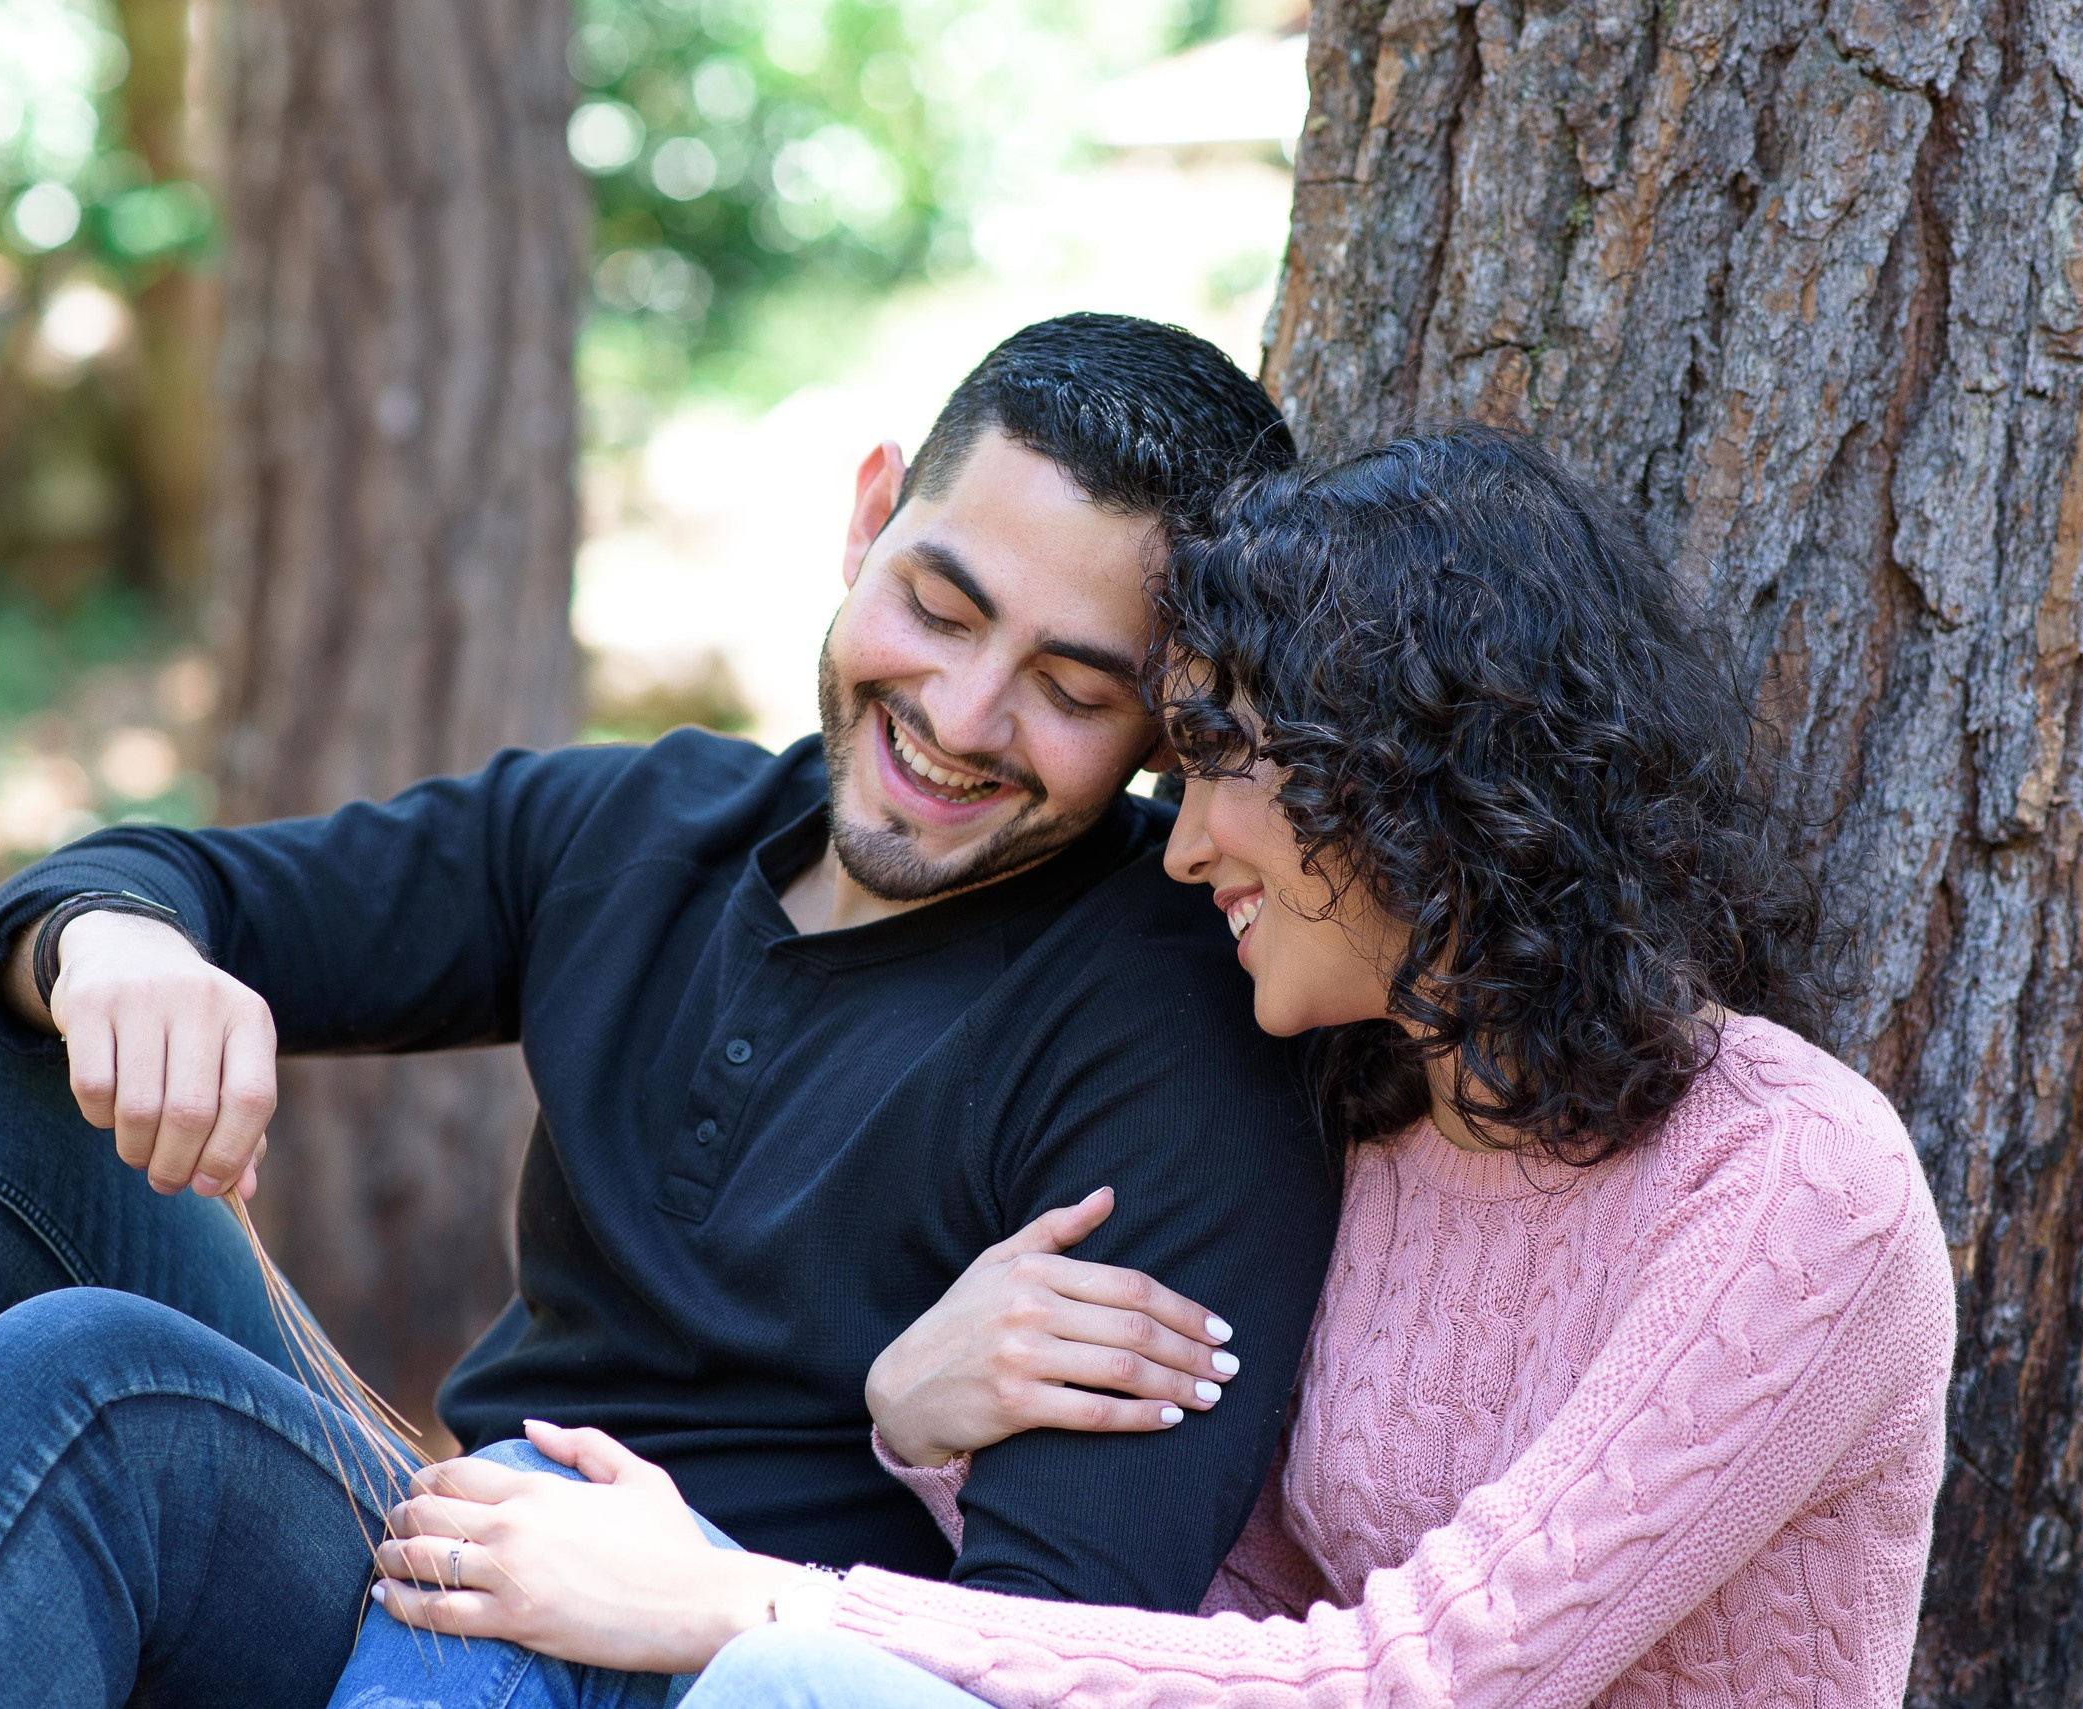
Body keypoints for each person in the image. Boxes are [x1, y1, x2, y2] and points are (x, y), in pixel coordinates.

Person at [0, 314, 1340, 1709]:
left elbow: (1058, 1655)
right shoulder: (642, 825)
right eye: (943, 608)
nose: (964, 715)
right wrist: (119, 942)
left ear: (1165, 723)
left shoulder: (1171, 1030)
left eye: (1071, 688)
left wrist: (828, 1491)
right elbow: (170, 880)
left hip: (700, 1653)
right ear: (868, 519)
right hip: (441, 1557)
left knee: (96, 1388)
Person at [347, 428, 1958, 1708]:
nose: (1181, 849)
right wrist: (923, 1427)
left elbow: (1418, 1680)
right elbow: (1221, 1627)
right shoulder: (1379, 1120)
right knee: (548, 1525)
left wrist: (749, 1597)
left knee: (794, 1677)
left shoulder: (1793, 1180)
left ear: (1415, 783)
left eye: (1226, 768)